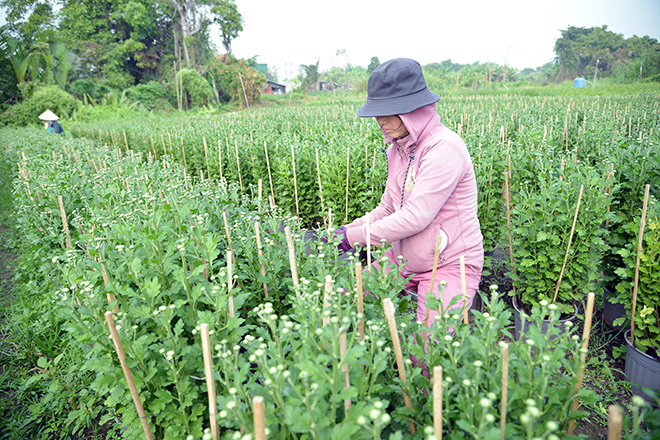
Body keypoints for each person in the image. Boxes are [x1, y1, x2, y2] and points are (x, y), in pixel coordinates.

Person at [335, 58, 483, 329]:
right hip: (402, 258)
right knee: (346, 300)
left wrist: (353, 238)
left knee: (428, 350)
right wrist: (345, 230)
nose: (379, 120)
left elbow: (416, 217)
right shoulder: (398, 148)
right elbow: (388, 208)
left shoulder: (443, 148)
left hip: (448, 264)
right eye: (376, 112)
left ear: (411, 110)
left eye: (386, 111)